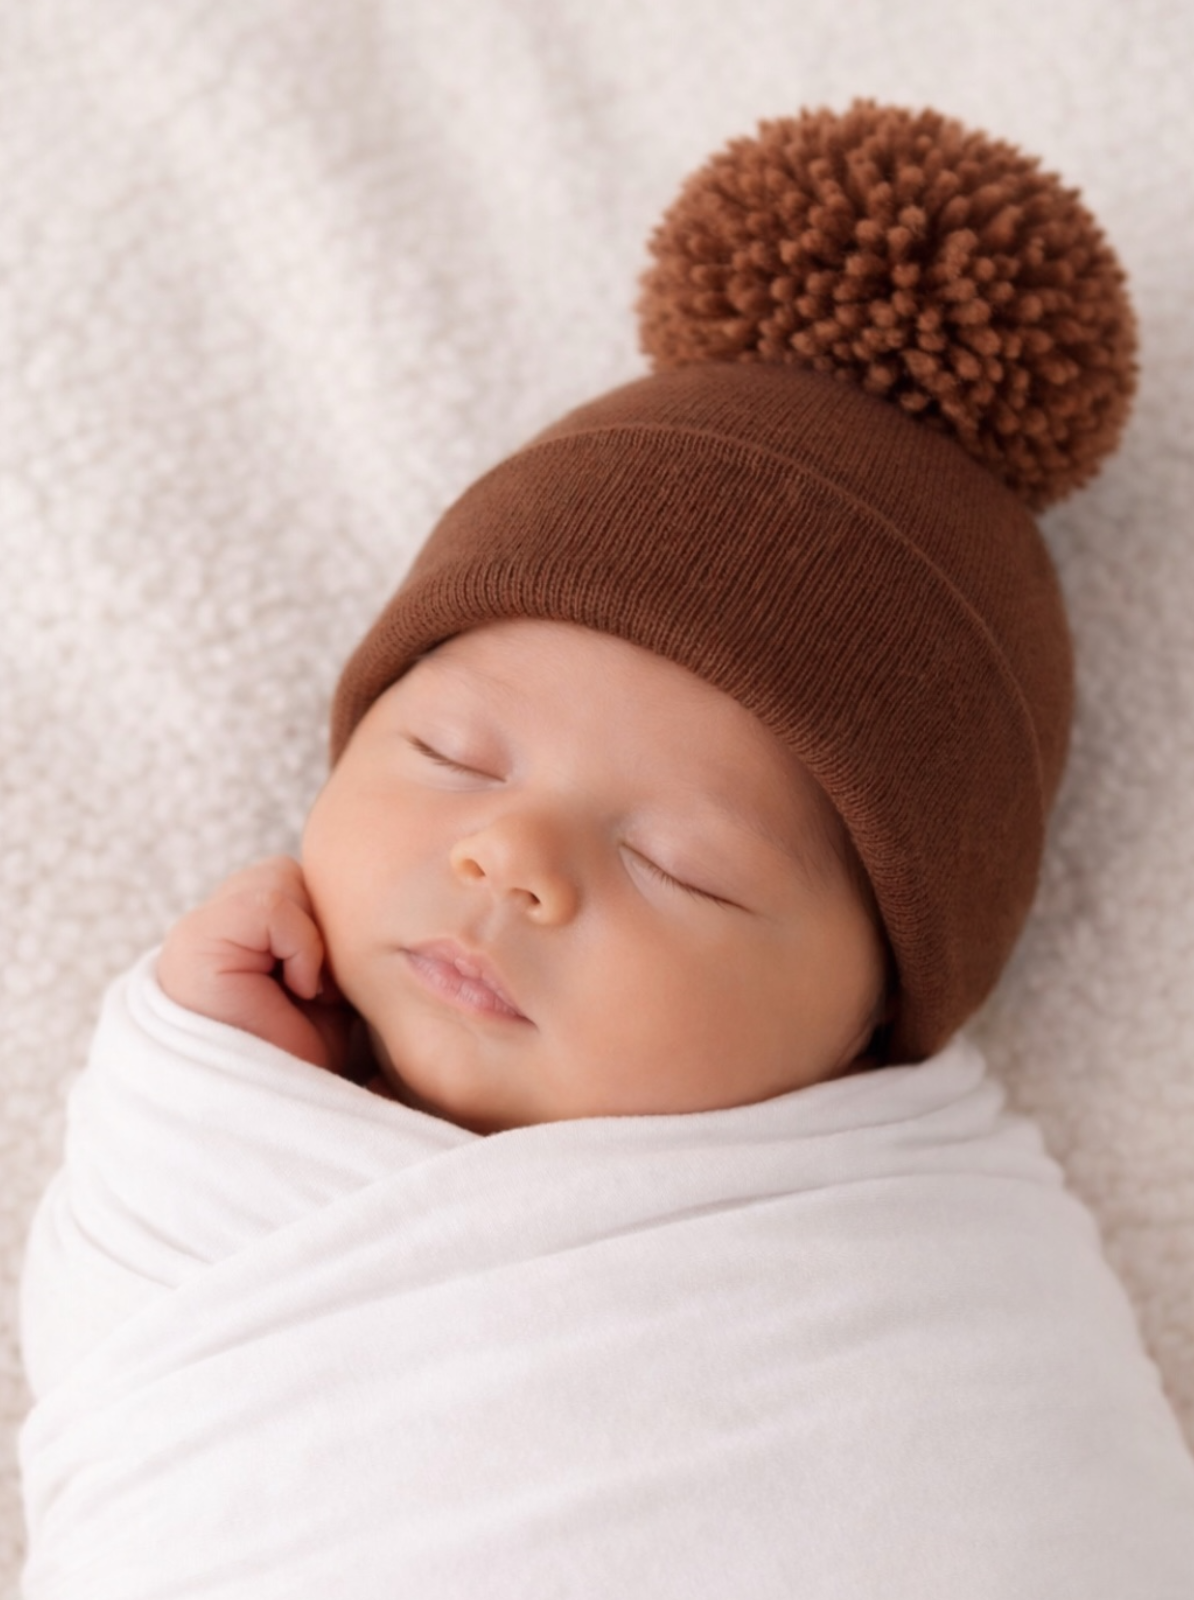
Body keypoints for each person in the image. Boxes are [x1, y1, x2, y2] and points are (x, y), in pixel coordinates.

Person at [21, 101, 1194, 1600]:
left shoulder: (941, 1309)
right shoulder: (212, 1148)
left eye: (686, 866)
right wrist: (196, 1078)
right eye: (449, 756)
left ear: (865, 1028)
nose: (509, 855)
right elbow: (133, 1395)